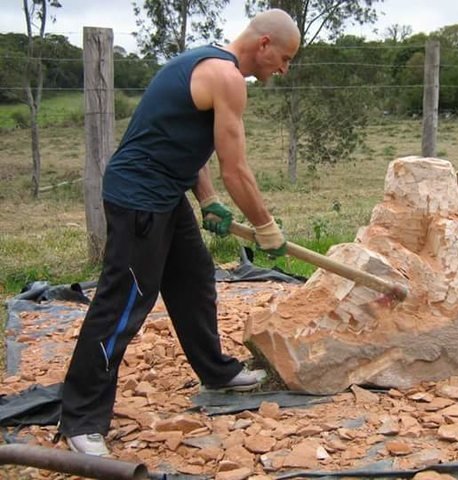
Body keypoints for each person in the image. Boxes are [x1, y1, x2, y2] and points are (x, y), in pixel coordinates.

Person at [57, 9, 301, 457]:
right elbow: (235, 169)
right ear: (264, 44)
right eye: (284, 58)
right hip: (139, 197)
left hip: (166, 193)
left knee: (193, 278)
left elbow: (185, 141)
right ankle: (81, 419)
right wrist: (265, 226)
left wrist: (207, 200)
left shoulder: (207, 63)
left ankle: (216, 372)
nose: (284, 69)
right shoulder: (227, 77)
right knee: (124, 301)